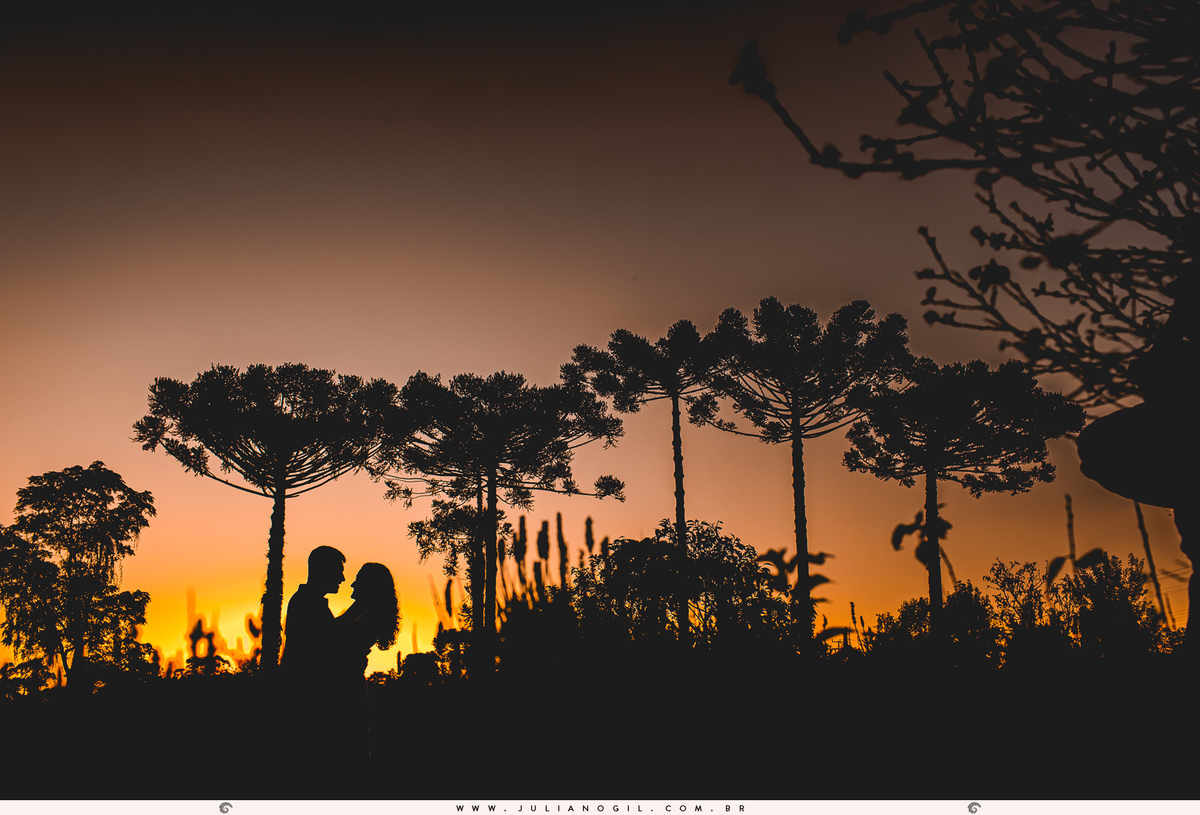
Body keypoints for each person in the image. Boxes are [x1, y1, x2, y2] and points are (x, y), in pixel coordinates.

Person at [333, 562, 400, 761]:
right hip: (345, 683)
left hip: (349, 685)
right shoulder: (360, 610)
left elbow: (338, 637)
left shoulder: (371, 617)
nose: (352, 584)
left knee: (351, 745)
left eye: (358, 580)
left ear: (369, 586)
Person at [280, 545, 346, 678]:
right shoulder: (307, 603)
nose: (342, 578)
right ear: (324, 571)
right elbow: (331, 638)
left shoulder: (308, 600)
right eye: (338, 572)